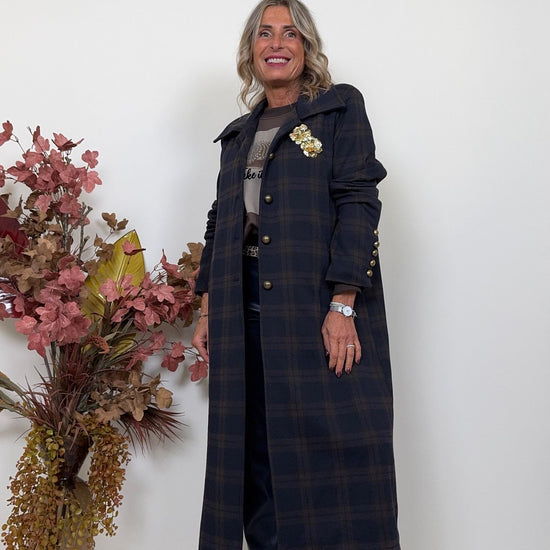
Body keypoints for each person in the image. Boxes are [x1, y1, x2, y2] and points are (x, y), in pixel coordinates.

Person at [192, 1, 400, 548]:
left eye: (289, 33)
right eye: (265, 33)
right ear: (252, 50)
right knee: (257, 460)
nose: (276, 43)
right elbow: (221, 220)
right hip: (243, 317)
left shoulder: (339, 110)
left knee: (339, 457)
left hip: (316, 310)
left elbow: (358, 203)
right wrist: (208, 306)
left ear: (306, 47)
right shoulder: (238, 135)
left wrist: (343, 303)